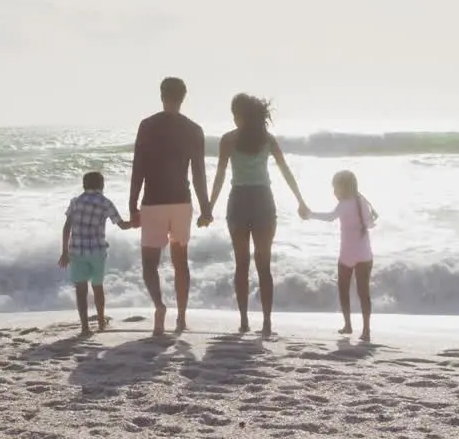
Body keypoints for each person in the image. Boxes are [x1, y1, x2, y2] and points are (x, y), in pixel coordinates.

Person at [208, 93, 308, 336]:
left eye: (235, 114)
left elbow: (221, 176)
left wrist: (209, 207)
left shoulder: (228, 140)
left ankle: (246, 321)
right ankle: (265, 322)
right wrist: (300, 201)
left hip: (240, 201)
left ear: (241, 115)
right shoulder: (268, 140)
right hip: (263, 201)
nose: (233, 119)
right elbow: (285, 171)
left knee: (242, 264)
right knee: (263, 265)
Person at [129, 77, 213, 336]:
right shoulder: (194, 129)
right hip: (181, 203)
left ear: (161, 95)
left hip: (153, 203)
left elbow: (138, 168)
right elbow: (199, 173)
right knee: (181, 263)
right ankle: (182, 317)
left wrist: (132, 205)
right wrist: (205, 208)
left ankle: (159, 306)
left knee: (149, 264)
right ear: (183, 97)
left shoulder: (147, 126)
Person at [304, 170, 378, 341]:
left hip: (347, 254)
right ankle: (366, 330)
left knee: (343, 290)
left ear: (344, 188)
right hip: (365, 253)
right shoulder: (362, 201)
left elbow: (331, 217)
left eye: (336, 188)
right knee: (363, 292)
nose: (334, 192)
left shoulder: (345, 203)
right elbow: (371, 224)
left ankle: (348, 325)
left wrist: (310, 214)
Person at [59, 171, 131, 337]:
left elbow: (66, 227)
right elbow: (122, 225)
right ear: (102, 185)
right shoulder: (105, 203)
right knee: (97, 287)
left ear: (84, 185)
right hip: (97, 251)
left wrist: (64, 252)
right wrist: (138, 222)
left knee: (81, 290)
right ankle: (100, 321)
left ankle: (85, 327)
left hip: (76, 251)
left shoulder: (75, 202)